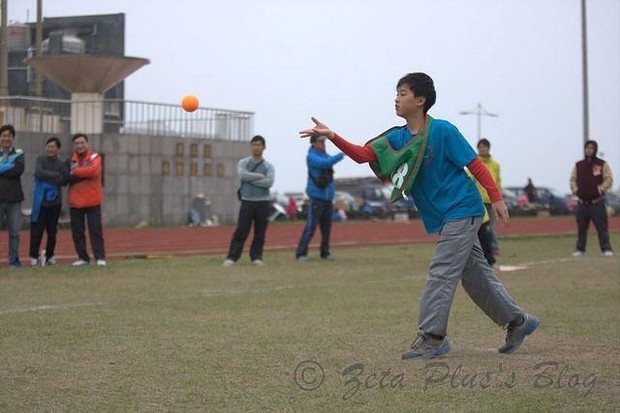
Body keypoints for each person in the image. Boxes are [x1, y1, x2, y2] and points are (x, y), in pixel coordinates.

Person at [299, 72, 539, 360]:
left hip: (463, 208)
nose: (397, 99)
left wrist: (496, 197)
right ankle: (518, 322)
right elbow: (363, 155)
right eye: (397, 93)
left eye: (403, 93)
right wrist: (333, 136)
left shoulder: (443, 131)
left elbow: (475, 165)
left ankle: (433, 337)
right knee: (475, 275)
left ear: (421, 100)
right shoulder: (396, 139)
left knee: (442, 269)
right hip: (444, 216)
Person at [222, 135, 275, 267]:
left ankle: (256, 257)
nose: (256, 147)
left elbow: (268, 183)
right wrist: (258, 176)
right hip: (247, 201)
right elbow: (242, 175)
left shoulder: (268, 166)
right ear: (250, 147)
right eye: (254, 144)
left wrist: (250, 179)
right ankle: (232, 257)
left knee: (260, 232)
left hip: (263, 202)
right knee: (241, 230)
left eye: (259, 145)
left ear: (264, 147)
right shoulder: (243, 162)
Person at [295, 135, 344, 261]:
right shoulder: (311, 157)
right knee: (311, 227)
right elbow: (325, 163)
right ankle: (301, 253)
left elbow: (328, 163)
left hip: (327, 199)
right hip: (316, 198)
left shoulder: (325, 155)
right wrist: (341, 154)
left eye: (324, 141)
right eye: (320, 141)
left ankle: (325, 253)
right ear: (313, 143)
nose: (323, 143)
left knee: (326, 228)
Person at [67, 133, 106, 266]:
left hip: (93, 200)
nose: (80, 145)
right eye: (77, 143)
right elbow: (68, 176)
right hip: (75, 201)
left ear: (87, 143)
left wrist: (76, 171)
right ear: (74, 145)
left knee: (95, 230)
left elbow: (93, 171)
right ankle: (83, 258)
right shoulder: (71, 159)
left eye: (82, 142)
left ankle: (100, 257)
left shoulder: (95, 156)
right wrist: (83, 172)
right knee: (77, 232)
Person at [570, 140, 614, 257]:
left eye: (591, 148)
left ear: (595, 150)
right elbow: (573, 179)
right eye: (587, 148)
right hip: (582, 203)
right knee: (582, 228)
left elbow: (608, 178)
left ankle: (606, 249)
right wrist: (575, 190)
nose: (589, 150)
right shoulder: (579, 165)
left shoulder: (601, 164)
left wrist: (601, 189)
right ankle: (580, 249)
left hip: (596, 203)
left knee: (602, 227)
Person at [29, 137, 68, 266]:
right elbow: (38, 173)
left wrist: (48, 177)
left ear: (57, 149)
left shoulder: (61, 164)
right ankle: (34, 256)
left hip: (55, 203)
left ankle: (50, 255)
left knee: (52, 232)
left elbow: (63, 181)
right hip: (40, 202)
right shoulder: (40, 159)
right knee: (37, 231)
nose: (50, 149)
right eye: (48, 146)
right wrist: (55, 175)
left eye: (53, 146)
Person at [0, 124, 25, 268]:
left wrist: (2, 169)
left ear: (13, 138)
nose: (6, 138)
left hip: (14, 199)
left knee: (14, 233)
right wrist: (9, 166)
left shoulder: (19, 153)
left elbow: (18, 170)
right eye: (3, 135)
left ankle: (14, 260)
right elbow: (13, 169)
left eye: (9, 135)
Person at [475, 138, 501, 255]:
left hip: (491, 200)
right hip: (478, 200)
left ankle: (494, 248)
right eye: (480, 147)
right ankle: (480, 248)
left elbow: (498, 181)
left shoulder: (495, 164)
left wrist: (498, 198)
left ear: (488, 148)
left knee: (491, 226)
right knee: (479, 226)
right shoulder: (474, 163)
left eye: (484, 146)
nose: (482, 149)